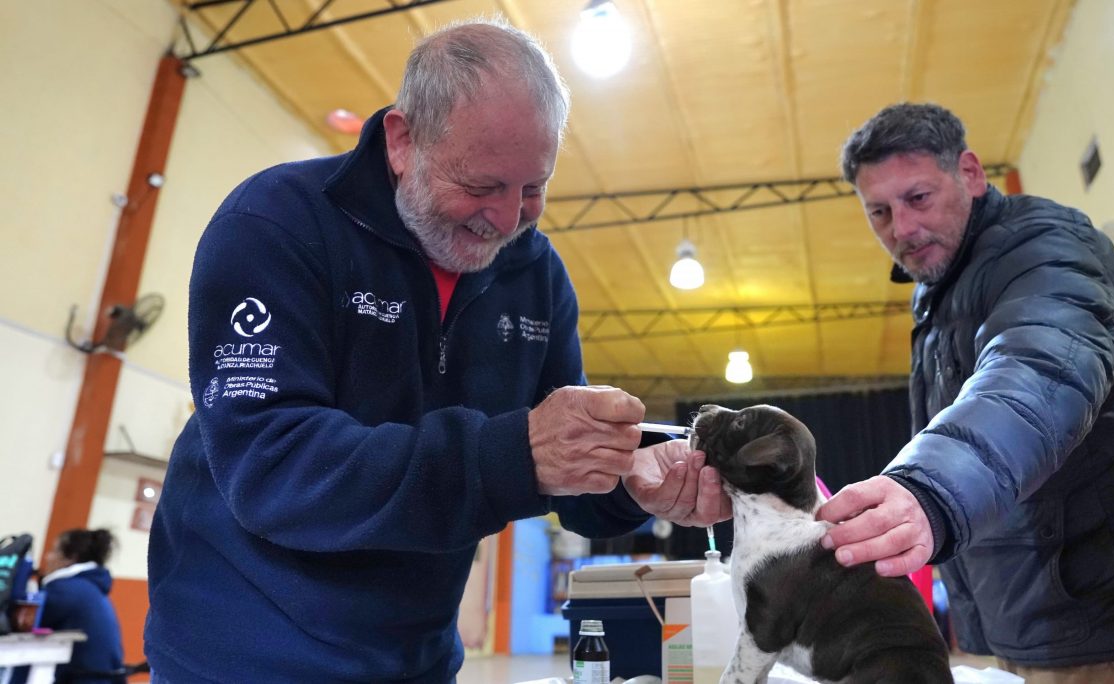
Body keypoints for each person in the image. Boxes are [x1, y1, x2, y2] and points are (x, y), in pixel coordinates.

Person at [144, 18, 728, 684]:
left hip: (416, 661)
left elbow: (562, 477)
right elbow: (273, 466)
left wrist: (635, 482)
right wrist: (513, 453)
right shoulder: (277, 224)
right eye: (482, 186)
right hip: (240, 659)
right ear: (402, 141)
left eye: (533, 188)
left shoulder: (535, 277)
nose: (507, 219)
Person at [817, 102, 1114, 681]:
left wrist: (931, 489)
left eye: (918, 198)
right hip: (1041, 625)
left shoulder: (1042, 247)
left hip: (1113, 627)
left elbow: (1039, 366)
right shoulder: (942, 292)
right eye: (879, 211)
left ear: (972, 175)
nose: (901, 229)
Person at [29, 529, 127, 684]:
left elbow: (25, 621)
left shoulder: (66, 590)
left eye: (54, 551)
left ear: (70, 558)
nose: (47, 557)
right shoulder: (89, 588)